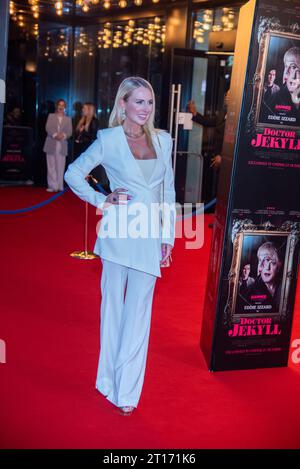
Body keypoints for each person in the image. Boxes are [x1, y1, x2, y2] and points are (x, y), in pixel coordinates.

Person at [64, 77, 176, 416]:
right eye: (138, 102)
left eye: (150, 102)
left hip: (148, 237)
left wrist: (168, 236)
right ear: (123, 103)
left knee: (139, 315)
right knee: (112, 309)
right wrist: (103, 199)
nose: (145, 109)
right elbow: (73, 173)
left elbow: (167, 191)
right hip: (117, 234)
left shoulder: (163, 140)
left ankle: (127, 390)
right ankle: (106, 381)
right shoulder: (109, 140)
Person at [43, 99, 72, 192]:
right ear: (57, 106)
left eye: (63, 105)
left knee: (60, 165)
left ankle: (60, 186)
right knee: (51, 165)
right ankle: (52, 186)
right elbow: (48, 128)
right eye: (59, 105)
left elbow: (69, 132)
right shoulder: (51, 116)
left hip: (62, 144)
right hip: (51, 143)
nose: (61, 107)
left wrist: (63, 135)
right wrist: (55, 135)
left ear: (65, 107)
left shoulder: (68, 119)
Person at [248, 242, 283, 312]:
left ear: (279, 266)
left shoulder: (286, 285)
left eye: (270, 261)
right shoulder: (250, 290)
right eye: (261, 261)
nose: (266, 268)